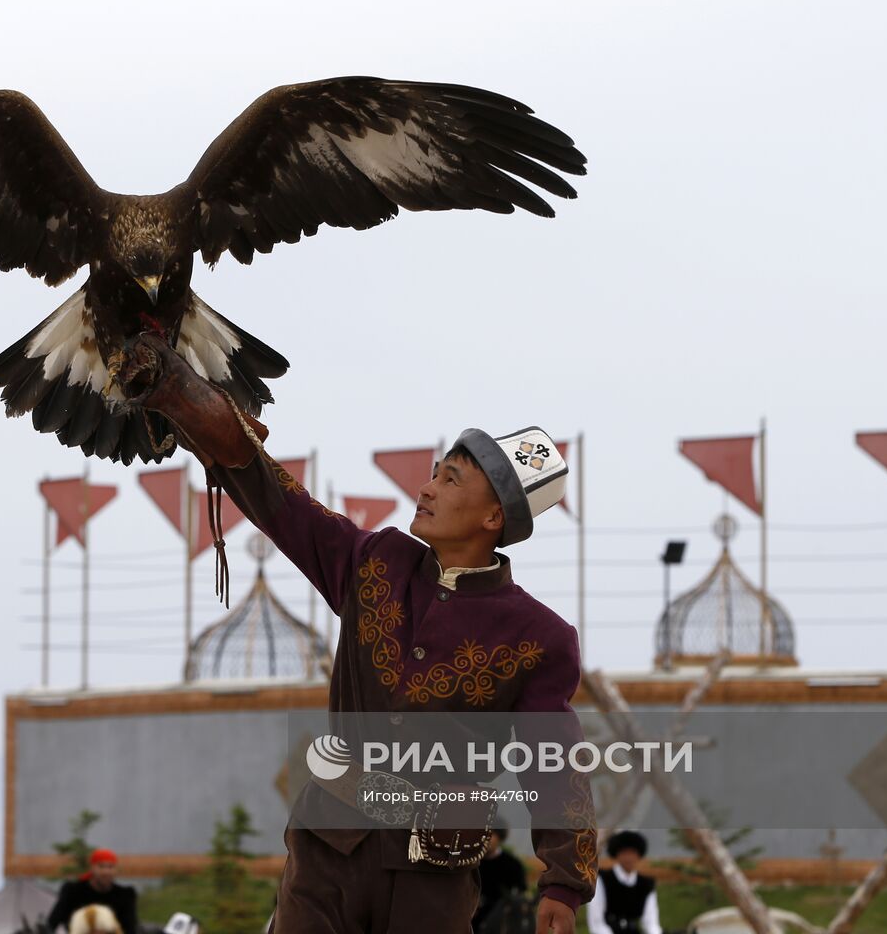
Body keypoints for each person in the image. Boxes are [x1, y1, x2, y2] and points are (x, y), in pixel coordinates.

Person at [116, 335, 598, 934]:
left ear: (492, 517)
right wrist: (199, 413)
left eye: (449, 481)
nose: (425, 489)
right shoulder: (378, 562)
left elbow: (553, 763)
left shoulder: (539, 638)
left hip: (435, 874)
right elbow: (285, 508)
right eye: (432, 474)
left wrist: (563, 883)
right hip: (329, 849)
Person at [47, 850, 138, 934]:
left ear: (115, 870)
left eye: (110, 867)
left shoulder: (124, 895)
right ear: (92, 867)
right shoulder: (73, 891)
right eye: (101, 866)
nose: (106, 871)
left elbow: (130, 929)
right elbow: (52, 924)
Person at [587, 832, 660, 934]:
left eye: (632, 853)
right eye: (624, 852)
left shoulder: (646, 884)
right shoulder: (603, 880)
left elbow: (651, 923)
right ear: (616, 854)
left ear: (639, 855)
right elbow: (597, 922)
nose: (629, 858)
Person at [473, 826, 528, 932]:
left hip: (501, 920)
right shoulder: (471, 863)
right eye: (483, 835)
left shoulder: (512, 864)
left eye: (491, 835)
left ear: (500, 837)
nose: (486, 839)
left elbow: (520, 893)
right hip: (472, 916)